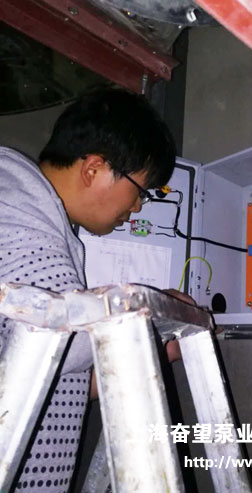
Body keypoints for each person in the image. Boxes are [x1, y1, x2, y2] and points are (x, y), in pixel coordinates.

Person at [0, 88, 183, 492]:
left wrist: (155, 352)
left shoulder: (50, 225)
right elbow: (57, 335)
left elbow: (54, 378)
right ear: (94, 169)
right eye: (140, 191)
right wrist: (158, 310)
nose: (137, 207)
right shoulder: (11, 188)